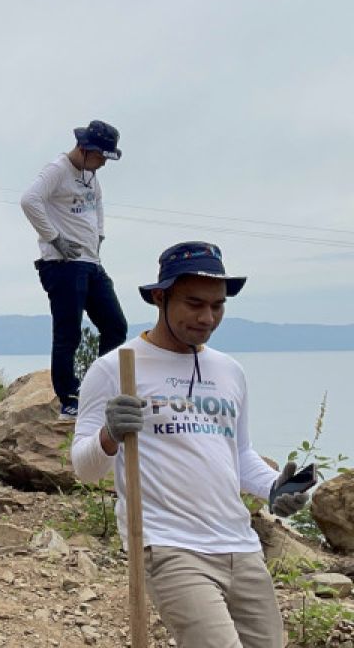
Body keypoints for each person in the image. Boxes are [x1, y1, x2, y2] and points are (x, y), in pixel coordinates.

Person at [72, 242, 311, 648]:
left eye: (217, 306)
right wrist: (109, 435)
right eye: (195, 304)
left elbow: (238, 454)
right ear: (161, 297)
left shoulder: (229, 371)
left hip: (241, 546)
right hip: (169, 547)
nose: (208, 318)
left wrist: (275, 489)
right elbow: (84, 468)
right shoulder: (116, 368)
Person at [20, 119, 128, 419]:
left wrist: (100, 234)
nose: (103, 163)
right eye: (101, 156)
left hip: (91, 262)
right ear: (84, 149)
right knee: (69, 332)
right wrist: (55, 238)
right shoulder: (58, 169)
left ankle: (100, 389)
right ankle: (68, 398)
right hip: (63, 264)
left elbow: (98, 205)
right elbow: (29, 200)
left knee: (115, 325)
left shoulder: (91, 175)